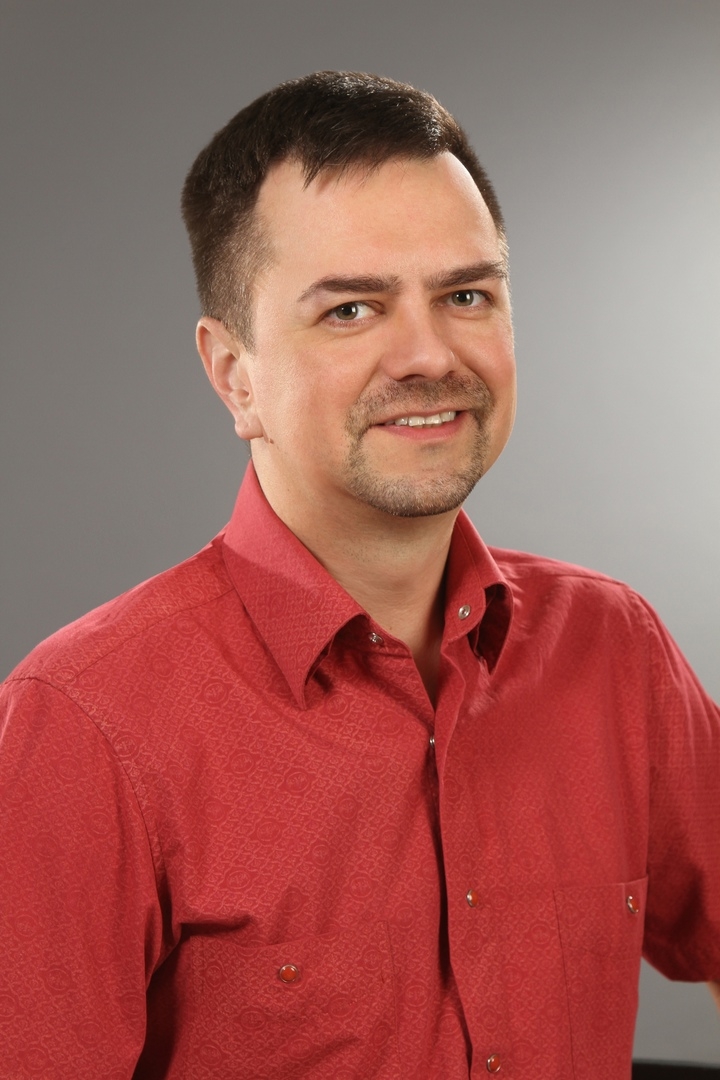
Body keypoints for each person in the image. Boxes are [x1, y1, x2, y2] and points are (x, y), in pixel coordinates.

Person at [0, 70, 718, 1080]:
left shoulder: (614, 650)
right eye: (350, 310)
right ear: (234, 375)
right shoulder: (86, 724)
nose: (427, 354)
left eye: (465, 295)